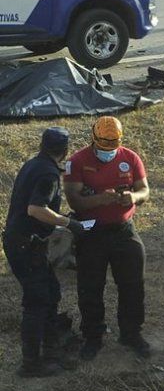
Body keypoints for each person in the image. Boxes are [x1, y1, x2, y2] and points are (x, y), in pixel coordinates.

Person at [65, 117, 152, 361]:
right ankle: (93, 336)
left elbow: (144, 189)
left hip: (123, 230)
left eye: (113, 147)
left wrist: (133, 198)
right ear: (93, 139)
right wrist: (100, 199)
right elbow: (74, 200)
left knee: (133, 284)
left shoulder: (130, 158)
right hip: (92, 232)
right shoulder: (77, 161)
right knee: (91, 287)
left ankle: (131, 333)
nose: (108, 152)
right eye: (104, 147)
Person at [3, 127, 84, 377]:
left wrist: (59, 218)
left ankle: (51, 348)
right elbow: (36, 209)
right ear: (65, 151)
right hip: (26, 245)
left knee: (50, 292)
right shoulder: (48, 173)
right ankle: (31, 364)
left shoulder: (33, 165)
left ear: (42, 145)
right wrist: (68, 223)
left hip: (22, 242)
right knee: (37, 301)